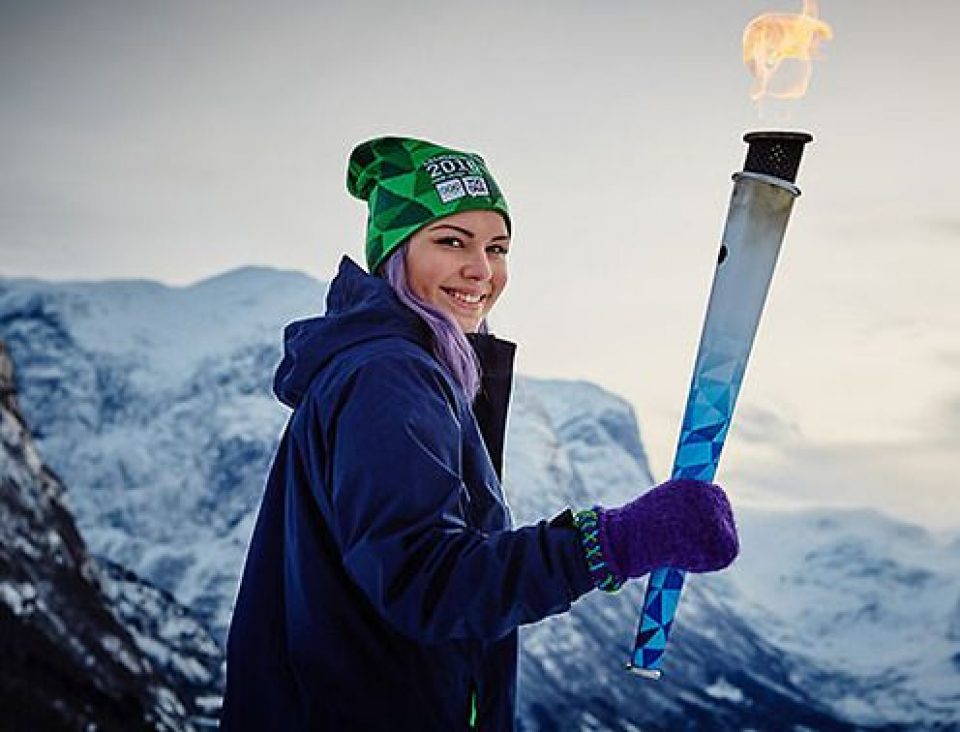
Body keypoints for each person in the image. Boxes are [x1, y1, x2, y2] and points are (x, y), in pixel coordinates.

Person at [220, 136, 739, 731]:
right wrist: (617, 541)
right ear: (395, 253)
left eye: (498, 247)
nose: (482, 270)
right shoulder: (390, 376)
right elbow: (426, 578)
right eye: (451, 241)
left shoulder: (396, 369)